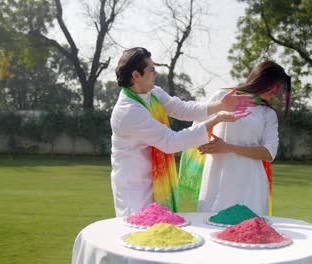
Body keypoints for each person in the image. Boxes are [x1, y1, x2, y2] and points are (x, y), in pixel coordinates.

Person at [110, 47, 255, 217]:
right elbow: (171, 142)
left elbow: (182, 108)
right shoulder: (129, 111)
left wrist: (221, 105)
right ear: (136, 76)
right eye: (151, 70)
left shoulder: (153, 93)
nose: (156, 74)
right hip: (135, 189)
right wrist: (216, 120)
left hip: (157, 179)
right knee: (138, 235)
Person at [179, 61, 291, 216]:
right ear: (263, 79)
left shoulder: (267, 114)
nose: (278, 92)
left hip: (251, 183)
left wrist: (229, 148)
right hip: (217, 179)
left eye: (280, 88)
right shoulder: (223, 97)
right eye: (276, 86)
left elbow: (269, 153)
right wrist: (206, 144)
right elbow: (197, 130)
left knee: (249, 234)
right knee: (211, 227)